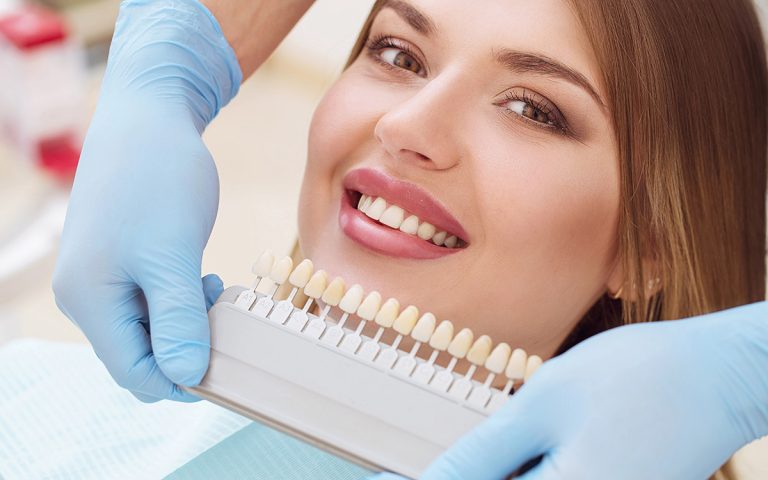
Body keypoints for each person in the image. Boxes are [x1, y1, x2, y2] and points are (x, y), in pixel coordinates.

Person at [52, 0, 768, 479]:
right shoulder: (34, 403)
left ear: (649, 248)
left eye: (531, 109)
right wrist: (168, 56)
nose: (407, 126)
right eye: (399, 55)